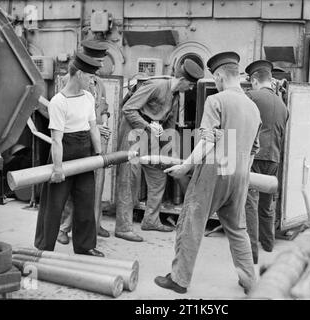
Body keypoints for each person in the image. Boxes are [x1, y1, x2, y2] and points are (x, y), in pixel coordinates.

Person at [154, 52, 261, 295]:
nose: (217, 83)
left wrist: (186, 167)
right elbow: (253, 149)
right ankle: (250, 282)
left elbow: (207, 141)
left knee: (191, 222)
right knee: (237, 228)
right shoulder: (253, 107)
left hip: (214, 171)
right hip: (240, 173)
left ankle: (179, 280)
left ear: (221, 76)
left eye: (216, 79)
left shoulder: (216, 101)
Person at [114, 59, 204, 242]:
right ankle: (123, 228)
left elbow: (169, 124)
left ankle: (151, 220)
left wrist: (170, 154)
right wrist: (148, 126)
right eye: (191, 84)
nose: (192, 89)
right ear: (183, 80)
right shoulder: (156, 86)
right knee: (129, 178)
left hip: (150, 133)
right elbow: (128, 109)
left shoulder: (176, 96)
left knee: (158, 174)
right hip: (133, 131)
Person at [34, 52, 104, 257]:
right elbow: (56, 139)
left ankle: (85, 246)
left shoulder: (89, 97)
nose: (92, 81)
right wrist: (57, 169)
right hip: (63, 153)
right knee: (54, 205)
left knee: (85, 201)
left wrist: (98, 155)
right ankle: (44, 248)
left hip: (85, 153)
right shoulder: (58, 102)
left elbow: (93, 128)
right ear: (79, 74)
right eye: (90, 77)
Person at [57, 40, 112, 245]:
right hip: (77, 139)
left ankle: (94, 223)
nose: (99, 67)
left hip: (97, 138)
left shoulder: (99, 82)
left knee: (95, 186)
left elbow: (104, 107)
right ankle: (63, 228)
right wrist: (95, 126)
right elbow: (68, 114)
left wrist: (103, 124)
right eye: (96, 62)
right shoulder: (67, 81)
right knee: (73, 187)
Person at [244, 60, 289, 264]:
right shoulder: (282, 104)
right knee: (266, 203)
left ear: (254, 80)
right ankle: (268, 243)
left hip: (254, 156)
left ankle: (252, 251)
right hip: (274, 157)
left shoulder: (251, 97)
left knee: (250, 203)